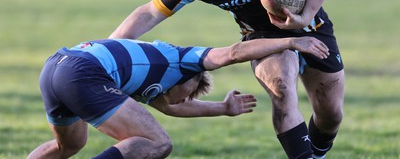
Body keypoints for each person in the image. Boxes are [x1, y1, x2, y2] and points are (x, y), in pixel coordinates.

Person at [109, 0, 344, 159]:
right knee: (282, 91)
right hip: (261, 35)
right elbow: (149, 13)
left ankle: (317, 154)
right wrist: (108, 49)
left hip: (311, 27)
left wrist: (305, 16)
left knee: (330, 114)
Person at [28, 36, 329, 158]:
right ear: (193, 78)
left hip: (56, 66)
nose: (186, 99)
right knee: (159, 143)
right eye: (191, 93)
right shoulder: (186, 60)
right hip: (83, 72)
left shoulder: (149, 82)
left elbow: (171, 107)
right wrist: (291, 41)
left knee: (69, 145)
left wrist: (223, 108)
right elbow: (234, 53)